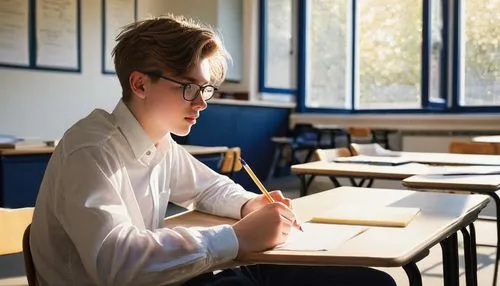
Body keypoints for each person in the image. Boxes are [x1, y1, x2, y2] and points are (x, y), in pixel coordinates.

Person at [30, 15, 396, 286]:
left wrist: (250, 205)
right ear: (140, 83)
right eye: (189, 87)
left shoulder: (158, 140)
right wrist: (237, 237)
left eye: (205, 89)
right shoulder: (91, 150)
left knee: (372, 282)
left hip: (167, 277)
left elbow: (207, 187)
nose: (201, 103)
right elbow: (116, 263)